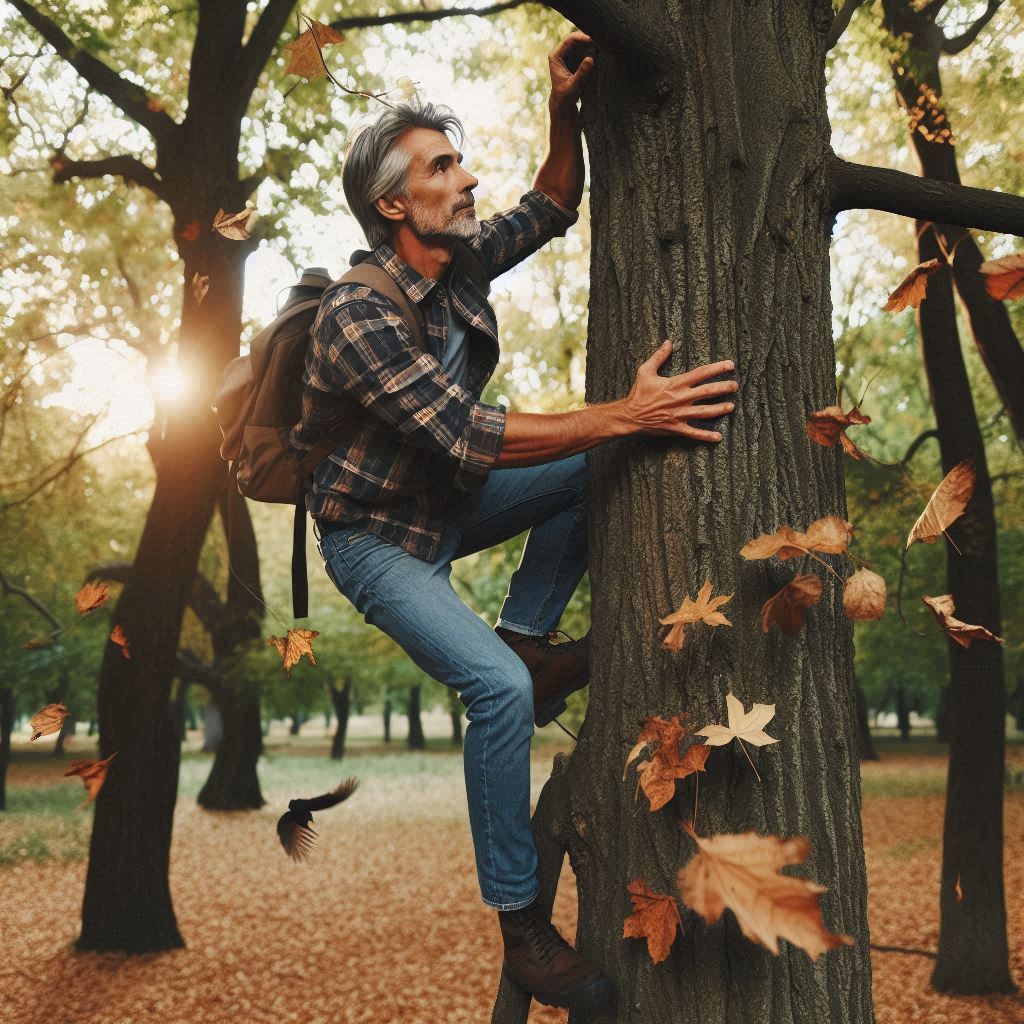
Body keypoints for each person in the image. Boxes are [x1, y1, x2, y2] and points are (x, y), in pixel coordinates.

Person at [289, 32, 739, 1012]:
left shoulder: (454, 267)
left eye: (457, 161)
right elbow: (464, 433)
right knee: (491, 690)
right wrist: (635, 409)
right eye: (442, 167)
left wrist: (561, 109)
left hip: (442, 506)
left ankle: (532, 639)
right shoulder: (355, 317)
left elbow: (552, 203)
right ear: (392, 204)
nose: (465, 178)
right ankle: (521, 923)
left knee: (590, 464)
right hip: (378, 543)